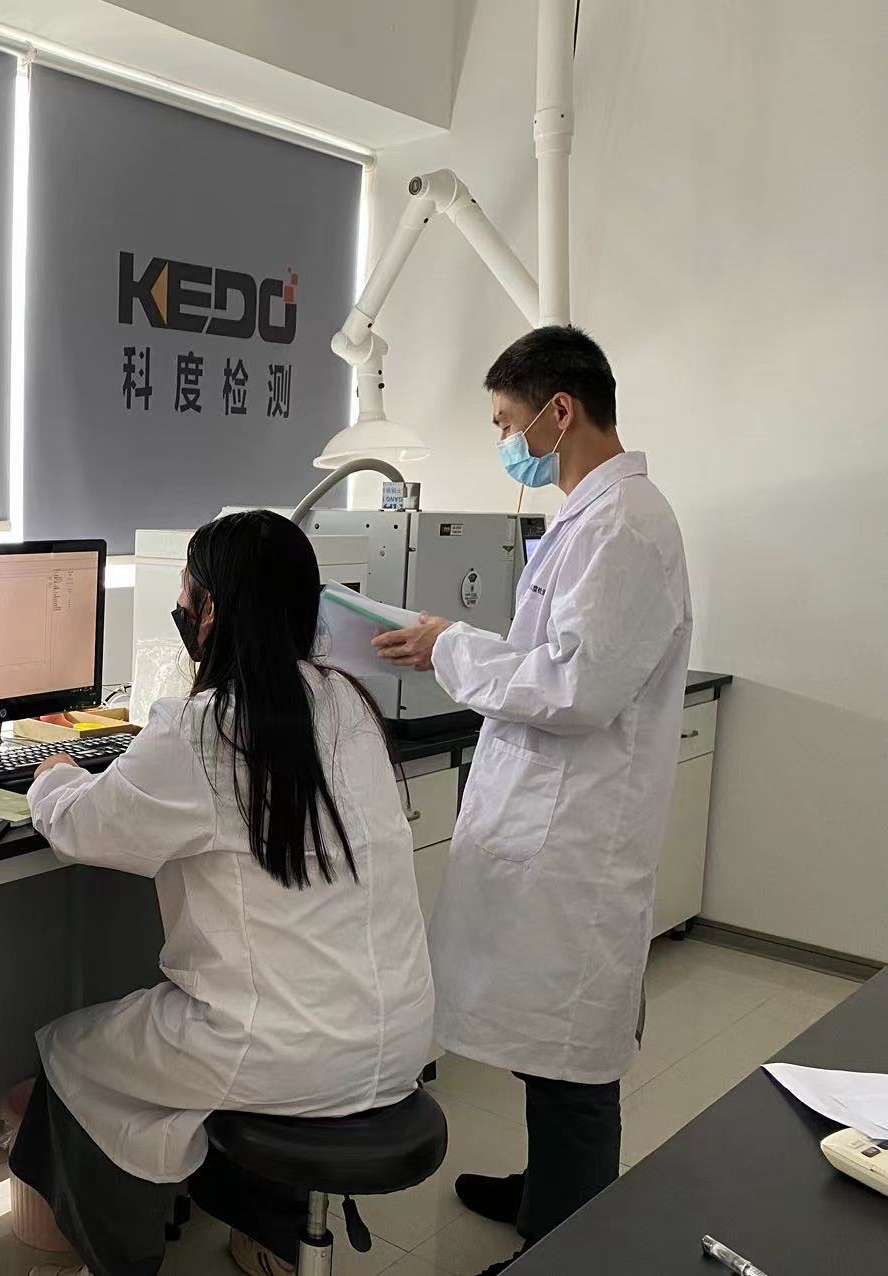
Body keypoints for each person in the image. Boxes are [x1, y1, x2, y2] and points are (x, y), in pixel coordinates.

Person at [8, 509, 436, 1276]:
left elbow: (83, 828)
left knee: (71, 1053)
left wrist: (53, 775)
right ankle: (272, 1231)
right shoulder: (349, 706)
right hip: (396, 1036)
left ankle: (118, 1262)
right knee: (172, 1059)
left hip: (276, 1048)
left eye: (186, 596)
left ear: (210, 611)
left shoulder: (204, 729)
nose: (181, 611)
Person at [372, 326, 692, 1274]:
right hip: (547, 825)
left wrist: (449, 647)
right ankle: (547, 1191)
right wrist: (457, 646)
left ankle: (569, 1242)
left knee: (573, 1056)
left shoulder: (627, 526)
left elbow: (576, 688)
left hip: (581, 843)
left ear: (560, 410)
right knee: (542, 1042)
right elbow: (549, 661)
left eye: (506, 422)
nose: (504, 442)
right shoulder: (588, 521)